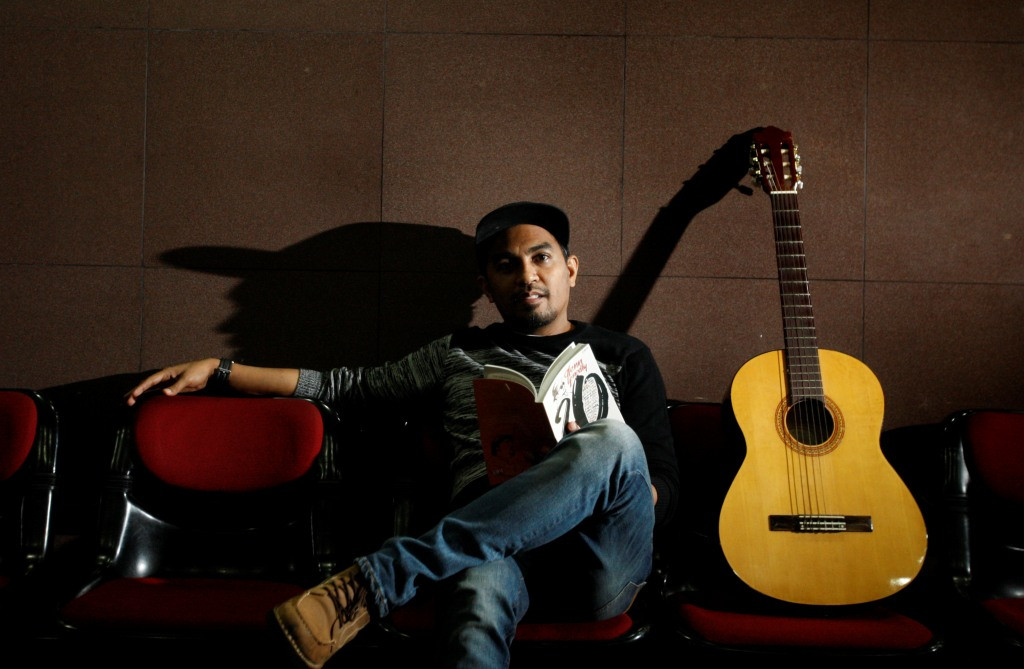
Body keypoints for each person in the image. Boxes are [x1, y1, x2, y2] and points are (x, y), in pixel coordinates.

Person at [127, 202, 680, 669]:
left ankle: (381, 579)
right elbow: (347, 387)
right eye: (506, 265)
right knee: (476, 599)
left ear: (571, 270)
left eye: (542, 258)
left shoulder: (624, 356)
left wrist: (580, 471)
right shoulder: (459, 352)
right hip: (491, 557)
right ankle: (398, 577)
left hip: (598, 561)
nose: (527, 275)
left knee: (612, 442)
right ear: (486, 287)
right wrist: (221, 370)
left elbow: (661, 485)